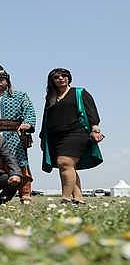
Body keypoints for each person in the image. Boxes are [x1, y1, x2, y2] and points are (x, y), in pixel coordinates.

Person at [40, 68, 103, 204]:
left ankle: (66, 198)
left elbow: (91, 111)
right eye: (57, 77)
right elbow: (46, 118)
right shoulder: (50, 97)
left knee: (64, 162)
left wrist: (95, 128)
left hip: (76, 133)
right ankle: (79, 198)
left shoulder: (79, 93)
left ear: (69, 78)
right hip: (55, 136)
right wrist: (42, 137)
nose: (61, 78)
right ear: (52, 81)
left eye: (64, 76)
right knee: (69, 167)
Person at [0, 64, 36, 203]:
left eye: (1, 79)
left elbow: (29, 111)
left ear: (7, 80)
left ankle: (25, 194)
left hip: (14, 135)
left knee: (20, 164)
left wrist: (28, 123)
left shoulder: (20, 96)